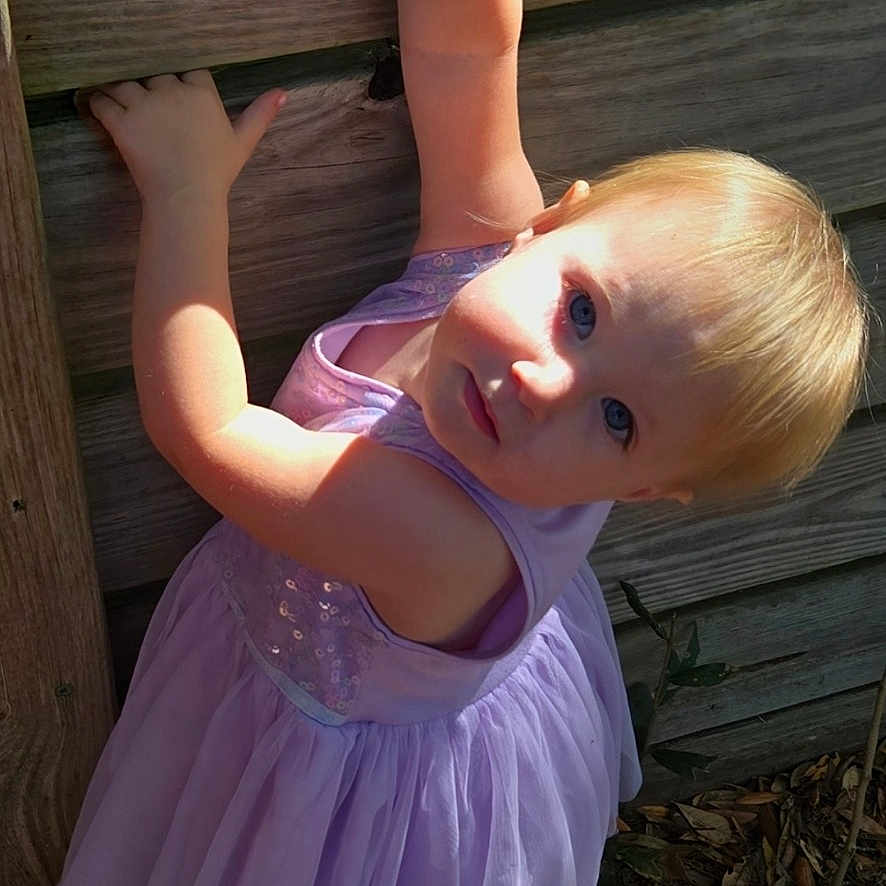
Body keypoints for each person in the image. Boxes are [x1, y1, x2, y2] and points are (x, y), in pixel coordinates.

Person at [60, 0, 870, 883]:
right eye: (583, 311)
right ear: (551, 224)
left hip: (336, 793)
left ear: (640, 489)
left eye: (617, 419)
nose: (544, 383)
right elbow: (467, 51)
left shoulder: (440, 538)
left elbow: (205, 429)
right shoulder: (485, 257)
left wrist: (186, 190)